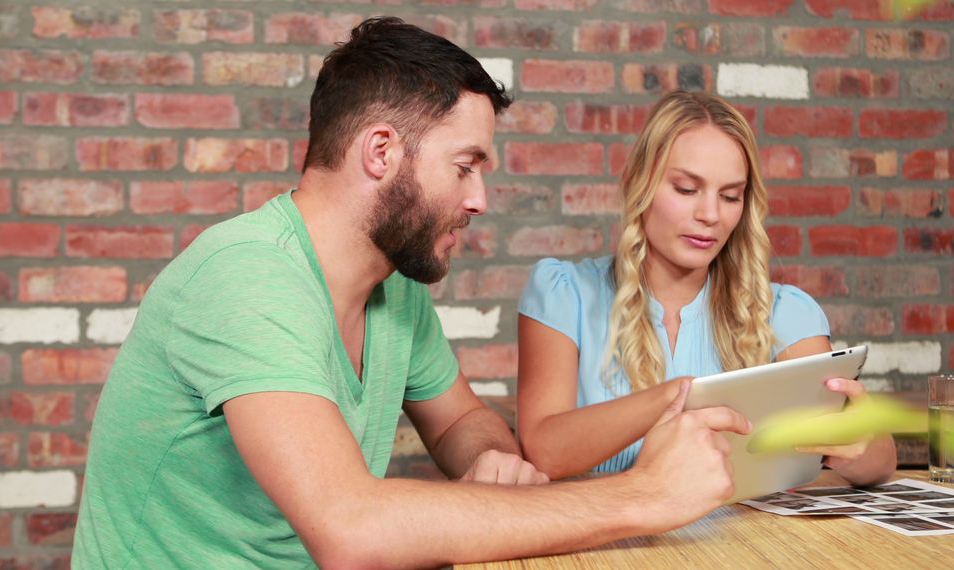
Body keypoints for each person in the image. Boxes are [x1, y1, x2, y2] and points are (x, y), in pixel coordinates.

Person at [72, 19, 752, 569]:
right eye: (465, 168)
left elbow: (460, 423)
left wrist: (490, 459)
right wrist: (642, 496)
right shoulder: (247, 276)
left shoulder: (393, 291)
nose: (480, 199)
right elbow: (352, 531)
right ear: (381, 152)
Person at [516, 90, 897, 485]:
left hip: (742, 541)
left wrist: (860, 445)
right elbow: (543, 451)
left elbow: (881, 464)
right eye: (686, 189)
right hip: (606, 541)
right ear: (636, 184)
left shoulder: (785, 313)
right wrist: (674, 397)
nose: (710, 215)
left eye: (730, 196)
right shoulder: (565, 296)